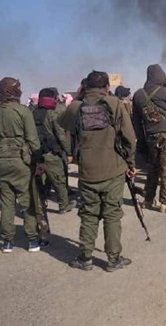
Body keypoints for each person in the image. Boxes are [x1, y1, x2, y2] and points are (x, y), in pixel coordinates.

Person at [59, 70, 137, 272]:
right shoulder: (114, 104)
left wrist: (78, 97)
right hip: (113, 169)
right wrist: (130, 163)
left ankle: (85, 257)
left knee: (89, 215)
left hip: (87, 171)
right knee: (112, 214)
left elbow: (62, 124)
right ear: (106, 87)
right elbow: (129, 137)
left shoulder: (76, 107)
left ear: (85, 86)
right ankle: (113, 259)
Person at [0, 77, 41, 253]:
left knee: (7, 203)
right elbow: (33, 139)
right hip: (21, 161)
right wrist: (38, 160)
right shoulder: (23, 111)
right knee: (27, 202)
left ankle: (7, 242)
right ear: (15, 92)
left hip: (2, 161)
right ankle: (33, 240)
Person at [133, 64, 166, 212]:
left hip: (150, 136)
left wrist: (141, 141)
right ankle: (165, 202)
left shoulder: (138, 95)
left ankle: (148, 199)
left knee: (153, 168)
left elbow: (136, 123)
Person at [33, 87, 76, 215]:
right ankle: (64, 205)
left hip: (36, 153)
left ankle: (39, 207)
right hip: (51, 153)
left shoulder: (32, 113)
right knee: (59, 181)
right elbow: (60, 135)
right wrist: (68, 151)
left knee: (38, 182)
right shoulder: (52, 114)